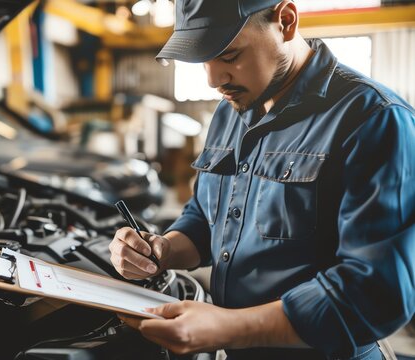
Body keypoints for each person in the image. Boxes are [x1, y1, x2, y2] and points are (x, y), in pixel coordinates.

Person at [108, 0, 415, 359]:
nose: (212, 80)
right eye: (202, 60)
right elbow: (205, 220)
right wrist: (162, 250)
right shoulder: (230, 111)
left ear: (285, 21)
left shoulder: (374, 119)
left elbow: (377, 291)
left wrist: (228, 327)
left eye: (229, 54)